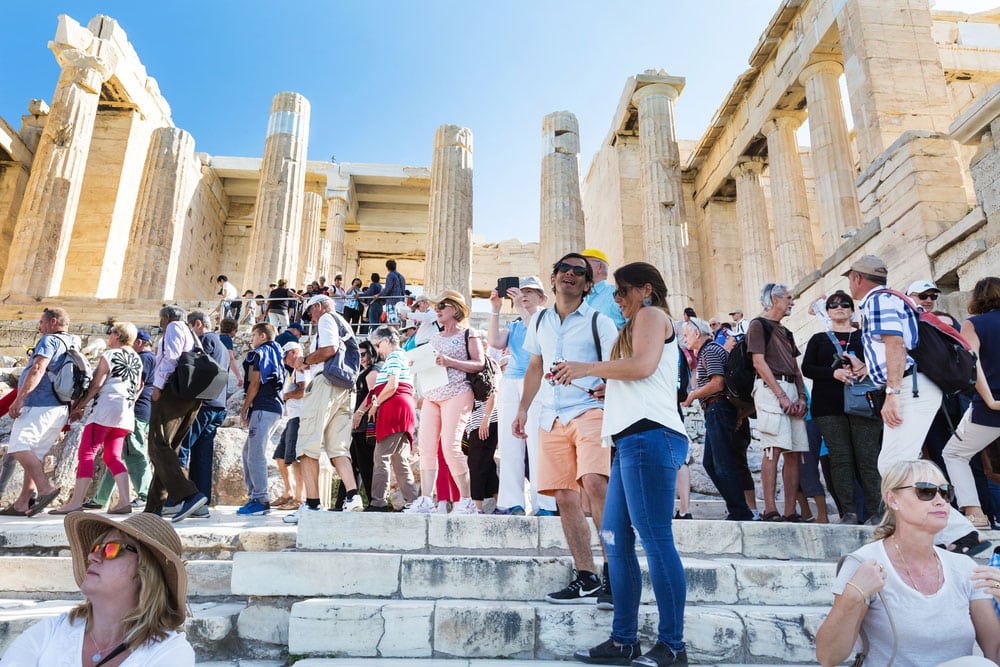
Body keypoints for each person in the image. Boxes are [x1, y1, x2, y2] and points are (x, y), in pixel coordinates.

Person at [557, 262, 688, 667]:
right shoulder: (635, 324)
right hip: (630, 440)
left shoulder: (651, 314)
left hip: (651, 436)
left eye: (622, 291)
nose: (616, 299)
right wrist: (607, 387)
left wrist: (588, 367)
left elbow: (644, 366)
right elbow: (641, 374)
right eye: (614, 293)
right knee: (614, 536)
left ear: (645, 289)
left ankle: (672, 646)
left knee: (655, 539)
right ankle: (623, 640)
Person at [843, 255, 985, 553]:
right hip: (913, 384)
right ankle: (937, 529)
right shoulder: (889, 299)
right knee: (899, 463)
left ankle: (957, 532)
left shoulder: (877, 301)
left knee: (894, 464)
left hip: (910, 387)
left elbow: (895, 344)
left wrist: (892, 394)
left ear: (857, 278)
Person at [815, 459, 1000, 667]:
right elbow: (828, 657)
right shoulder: (865, 564)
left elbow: (994, 653)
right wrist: (852, 596)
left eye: (945, 492)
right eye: (925, 491)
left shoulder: (964, 568)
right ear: (893, 500)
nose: (940, 501)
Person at [513, 253, 618, 605]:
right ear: (554, 278)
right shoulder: (539, 320)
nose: (570, 275)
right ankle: (586, 574)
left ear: (588, 284)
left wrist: (599, 379)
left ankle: (615, 574)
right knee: (562, 495)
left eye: (579, 272)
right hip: (550, 414)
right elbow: (534, 366)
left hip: (591, 408)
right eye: (564, 270)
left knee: (594, 483)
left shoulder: (600, 322)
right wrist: (523, 409)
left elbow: (616, 366)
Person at [1, 512, 195, 664]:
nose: (92, 557)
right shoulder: (51, 632)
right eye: (96, 548)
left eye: (112, 549)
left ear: (146, 572)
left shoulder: (170, 653)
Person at [801, 290, 882, 525]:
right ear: (827, 311)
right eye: (834, 305)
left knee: (868, 458)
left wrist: (863, 368)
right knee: (840, 458)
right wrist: (833, 373)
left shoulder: (867, 336)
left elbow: (880, 363)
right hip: (829, 407)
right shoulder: (819, 339)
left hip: (864, 404)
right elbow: (807, 369)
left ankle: (876, 512)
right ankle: (849, 511)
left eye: (844, 304)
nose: (839, 307)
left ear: (851, 309)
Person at [285, 295, 364, 523]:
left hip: (325, 383)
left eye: (311, 311)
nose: (310, 316)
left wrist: (305, 360)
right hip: (346, 388)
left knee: (307, 442)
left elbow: (329, 349)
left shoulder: (328, 318)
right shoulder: (345, 324)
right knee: (338, 448)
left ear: (319, 306)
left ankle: (312, 505)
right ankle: (353, 497)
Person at [51, 322, 142, 516]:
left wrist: (80, 405)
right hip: (125, 412)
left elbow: (97, 384)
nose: (109, 336)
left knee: (87, 452)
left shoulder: (110, 355)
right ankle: (124, 501)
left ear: (117, 335)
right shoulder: (137, 359)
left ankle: (76, 502)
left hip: (105, 409)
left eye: (111, 333)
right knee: (113, 456)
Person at [408, 290, 485, 515]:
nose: (437, 310)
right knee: (427, 448)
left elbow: (479, 363)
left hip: (458, 392)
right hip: (433, 395)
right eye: (437, 306)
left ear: (455, 309)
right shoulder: (433, 337)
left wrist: (450, 361)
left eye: (442, 306)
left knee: (450, 447)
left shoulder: (470, 334)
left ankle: (467, 501)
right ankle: (425, 500)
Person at [488, 275, 557, 516]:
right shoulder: (516, 324)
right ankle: (510, 501)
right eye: (521, 290)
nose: (524, 295)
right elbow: (495, 342)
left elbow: (539, 335)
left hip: (536, 382)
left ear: (543, 297)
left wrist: (521, 308)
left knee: (537, 444)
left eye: (531, 291)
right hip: (511, 382)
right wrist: (496, 310)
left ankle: (545, 504)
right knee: (509, 444)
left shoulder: (548, 318)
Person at [2, 307, 76, 517]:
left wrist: (20, 398)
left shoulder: (49, 341)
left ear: (53, 322)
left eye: (42, 322)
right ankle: (22, 503)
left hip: (39, 404)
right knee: (36, 454)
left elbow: (37, 369)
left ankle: (45, 489)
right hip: (59, 407)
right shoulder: (72, 342)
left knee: (18, 447)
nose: (39, 326)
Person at [680, 317, 754, 521]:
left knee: (721, 462)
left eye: (686, 334)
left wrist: (693, 394)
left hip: (718, 408)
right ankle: (738, 508)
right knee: (711, 463)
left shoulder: (710, 350)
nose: (684, 339)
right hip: (716, 410)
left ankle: (740, 511)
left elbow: (718, 383)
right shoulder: (709, 350)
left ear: (697, 333)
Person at [943, 277, 1000, 529]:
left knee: (954, 453)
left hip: (992, 407)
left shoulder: (974, 324)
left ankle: (975, 514)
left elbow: (971, 363)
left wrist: (989, 399)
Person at [748, 283, 808, 522]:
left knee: (794, 451)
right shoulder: (757, 325)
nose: (792, 302)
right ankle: (770, 508)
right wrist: (781, 395)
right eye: (789, 298)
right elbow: (758, 362)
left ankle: (790, 510)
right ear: (774, 299)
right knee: (773, 448)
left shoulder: (786, 332)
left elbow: (795, 367)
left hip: (790, 387)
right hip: (770, 389)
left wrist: (801, 396)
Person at [144, 306, 207, 523]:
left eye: (161, 319)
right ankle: (153, 507)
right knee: (169, 449)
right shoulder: (189, 331)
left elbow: (171, 357)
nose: (160, 323)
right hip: (190, 396)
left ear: (167, 317)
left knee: (157, 445)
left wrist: (157, 386)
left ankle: (190, 495)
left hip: (173, 393)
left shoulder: (173, 327)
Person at [86, 329, 156, 511]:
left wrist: (130, 402)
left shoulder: (145, 358)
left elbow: (139, 385)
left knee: (135, 453)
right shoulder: (140, 357)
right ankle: (101, 498)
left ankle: (144, 493)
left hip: (136, 411)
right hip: (130, 411)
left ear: (139, 342)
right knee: (115, 456)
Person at [354, 326, 419, 511]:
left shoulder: (394, 357)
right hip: (402, 408)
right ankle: (412, 501)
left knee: (381, 456)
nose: (376, 350)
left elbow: (392, 385)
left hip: (394, 408)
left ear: (386, 341)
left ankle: (378, 502)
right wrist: (362, 410)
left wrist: (374, 405)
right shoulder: (402, 357)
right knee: (399, 458)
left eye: (376, 345)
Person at [179, 312, 229, 516]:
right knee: (202, 455)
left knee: (182, 447)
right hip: (217, 405)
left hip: (203, 405)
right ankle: (201, 501)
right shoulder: (222, 345)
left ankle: (178, 496)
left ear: (198, 324)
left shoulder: (206, 339)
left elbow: (198, 368)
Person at [238, 323, 285, 516]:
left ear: (263, 336)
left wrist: (244, 407)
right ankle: (254, 496)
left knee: (255, 453)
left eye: (254, 335)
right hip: (274, 408)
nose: (252, 340)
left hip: (263, 407)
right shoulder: (276, 351)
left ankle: (261, 498)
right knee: (247, 451)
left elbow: (256, 382)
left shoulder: (261, 353)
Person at [272, 341, 309, 511]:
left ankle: (299, 498)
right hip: (293, 417)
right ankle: (288, 492)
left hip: (299, 417)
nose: (284, 360)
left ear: (294, 352)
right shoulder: (294, 371)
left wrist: (285, 396)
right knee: (281, 457)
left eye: (286, 356)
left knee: (295, 459)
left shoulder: (300, 370)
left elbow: (303, 391)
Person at [581, 248, 626, 329]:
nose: (579, 269)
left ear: (600, 267)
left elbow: (634, 330)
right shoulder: (578, 298)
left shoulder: (619, 294)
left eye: (583, 265)